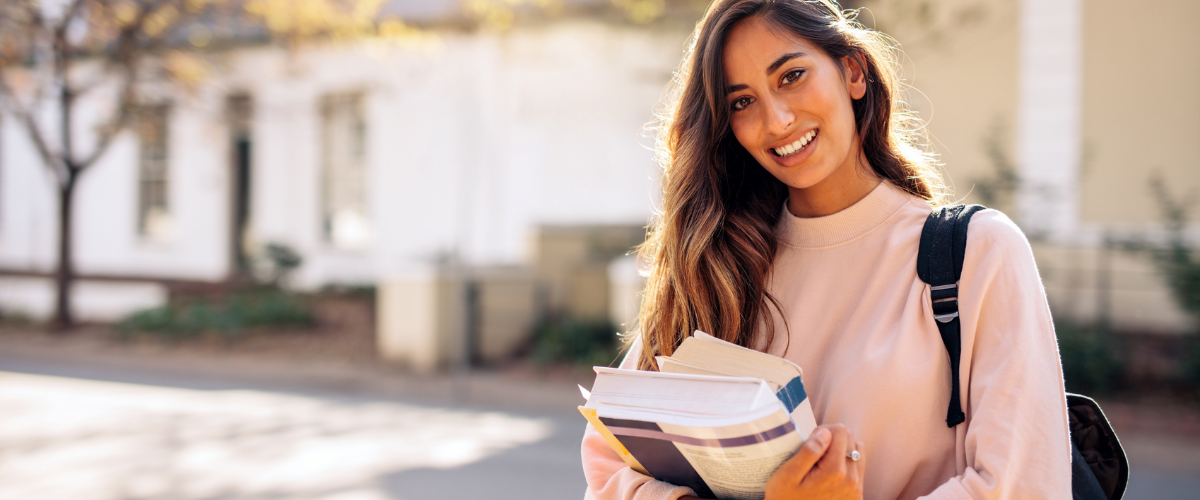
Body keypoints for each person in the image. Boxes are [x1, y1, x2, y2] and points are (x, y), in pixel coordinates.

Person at [580, 0, 1072, 499]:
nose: (777, 120)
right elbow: (607, 470)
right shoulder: (716, 265)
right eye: (742, 102)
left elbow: (1025, 484)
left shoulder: (976, 255)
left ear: (853, 72)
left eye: (791, 76)